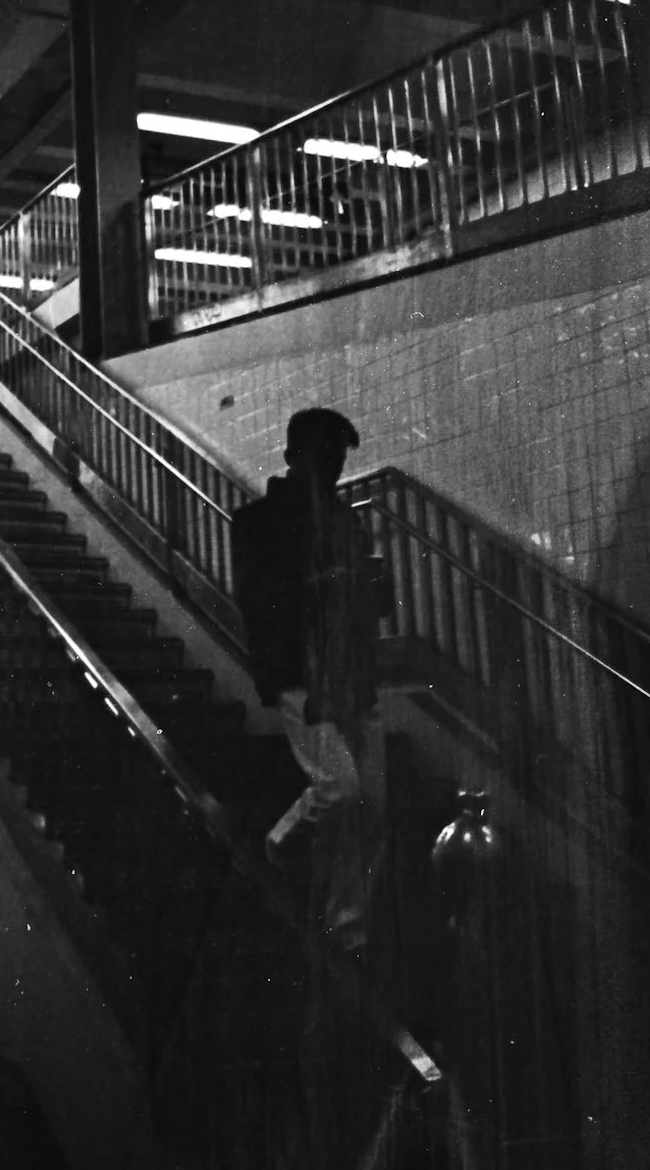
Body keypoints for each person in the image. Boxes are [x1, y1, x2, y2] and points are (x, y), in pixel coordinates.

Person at [229, 407, 388, 950]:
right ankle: (280, 843)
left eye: (339, 459)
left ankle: (349, 926)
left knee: (371, 804)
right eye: (328, 457)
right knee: (341, 788)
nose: (337, 469)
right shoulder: (257, 522)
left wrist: (363, 590)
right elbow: (259, 603)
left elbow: (360, 604)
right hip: (304, 674)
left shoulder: (346, 521)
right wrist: (327, 585)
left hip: (350, 673)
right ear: (294, 456)